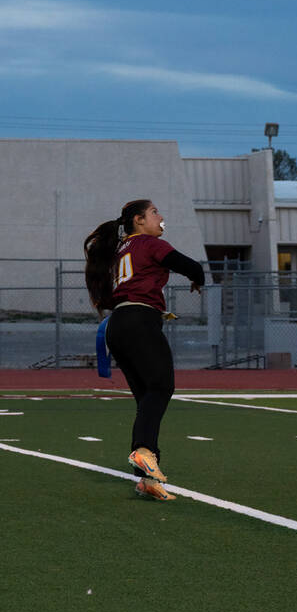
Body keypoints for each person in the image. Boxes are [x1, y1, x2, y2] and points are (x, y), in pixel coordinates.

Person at [84, 198, 205, 500]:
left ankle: (147, 478)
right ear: (138, 220)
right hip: (139, 320)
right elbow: (190, 265)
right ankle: (143, 455)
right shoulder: (148, 243)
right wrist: (198, 279)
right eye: (154, 213)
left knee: (147, 399)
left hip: (117, 325)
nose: (161, 217)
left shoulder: (118, 251)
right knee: (161, 387)